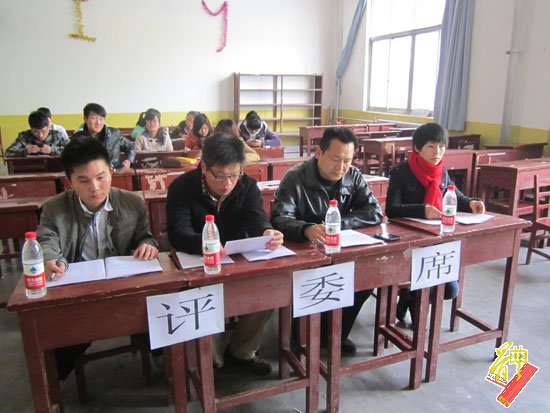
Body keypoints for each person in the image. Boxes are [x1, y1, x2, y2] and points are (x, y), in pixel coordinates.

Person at [36, 135, 159, 380]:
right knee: (57, 349)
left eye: (101, 177)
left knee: (160, 326)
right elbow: (47, 242)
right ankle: (54, 387)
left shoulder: (132, 203)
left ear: (111, 171)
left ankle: (170, 372)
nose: (94, 188)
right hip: (79, 295)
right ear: (69, 180)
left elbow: (144, 236)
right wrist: (51, 260)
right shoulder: (54, 208)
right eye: (83, 180)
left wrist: (147, 245)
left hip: (126, 290)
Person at [166, 133, 284, 375]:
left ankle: (242, 351)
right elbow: (178, 233)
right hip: (198, 262)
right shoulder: (182, 187)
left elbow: (255, 218)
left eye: (234, 175)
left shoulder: (246, 185)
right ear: (203, 167)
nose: (228, 183)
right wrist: (204, 245)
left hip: (235, 260)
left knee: (269, 287)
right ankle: (211, 360)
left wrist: (267, 232)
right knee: (199, 296)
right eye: (220, 175)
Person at [271, 127, 383, 354]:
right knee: (312, 283)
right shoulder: (295, 178)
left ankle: (336, 333)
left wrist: (338, 224)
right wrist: (306, 229)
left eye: (347, 161)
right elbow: (280, 218)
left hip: (340, 248)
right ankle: (303, 335)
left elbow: (374, 211)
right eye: (335, 159)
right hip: (304, 253)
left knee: (366, 278)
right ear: (319, 153)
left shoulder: (353, 176)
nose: (341, 167)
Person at [385, 122, 485, 328]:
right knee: (425, 282)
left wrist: (470, 203)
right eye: (431, 147)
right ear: (417, 147)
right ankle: (413, 299)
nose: (437, 152)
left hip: (437, 237)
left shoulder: (441, 171)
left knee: (450, 290)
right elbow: (392, 209)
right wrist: (422, 210)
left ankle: (409, 298)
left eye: (441, 147)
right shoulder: (401, 172)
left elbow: (453, 194)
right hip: (410, 240)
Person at [72, 103, 135, 169]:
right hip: (88, 173)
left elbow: (131, 146)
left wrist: (128, 161)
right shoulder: (77, 138)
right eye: (93, 118)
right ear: (85, 119)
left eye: (101, 119)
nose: (98, 122)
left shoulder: (114, 134)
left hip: (113, 171)